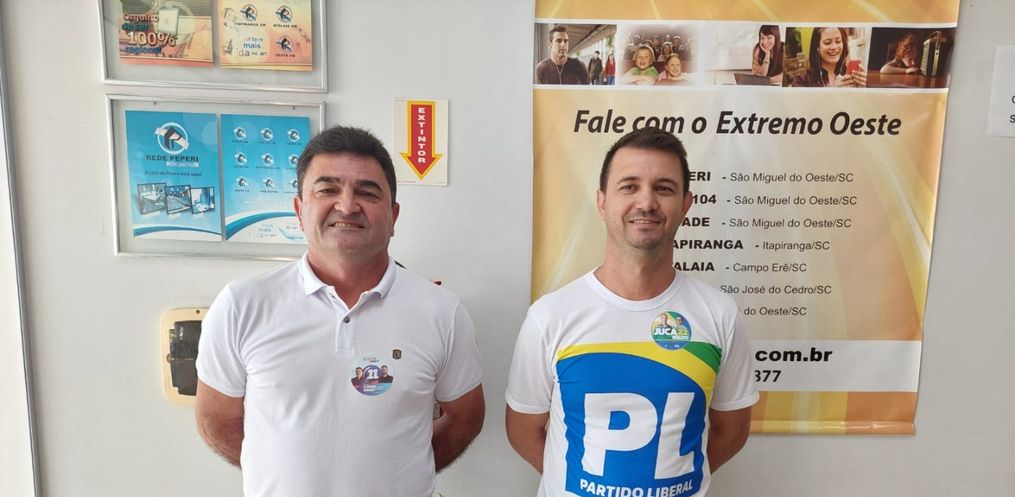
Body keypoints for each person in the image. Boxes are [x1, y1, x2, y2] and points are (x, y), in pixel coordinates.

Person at [195, 125, 485, 497]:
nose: (347, 206)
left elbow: (465, 417)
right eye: (327, 189)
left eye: (367, 192)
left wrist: (407, 471)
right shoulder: (242, 305)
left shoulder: (442, 312)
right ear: (299, 211)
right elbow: (216, 419)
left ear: (393, 216)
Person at [505, 128, 758, 497]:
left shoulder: (719, 314)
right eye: (629, 186)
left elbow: (731, 430)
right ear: (602, 202)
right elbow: (523, 430)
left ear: (685, 205)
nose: (646, 202)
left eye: (664, 188)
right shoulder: (551, 316)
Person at [789, 27, 866, 87]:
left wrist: (865, 87)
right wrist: (833, 92)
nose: (834, 47)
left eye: (838, 41)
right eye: (827, 42)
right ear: (817, 47)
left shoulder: (851, 74)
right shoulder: (801, 80)